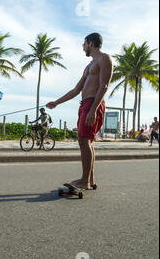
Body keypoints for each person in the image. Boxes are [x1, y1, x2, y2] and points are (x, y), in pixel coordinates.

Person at [47, 33, 113, 190]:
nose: (82, 47)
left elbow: (104, 86)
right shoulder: (89, 66)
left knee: (84, 140)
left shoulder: (105, 59)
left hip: (93, 104)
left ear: (91, 43)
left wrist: (93, 110)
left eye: (83, 44)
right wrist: (57, 102)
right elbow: (76, 89)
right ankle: (90, 179)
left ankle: (84, 181)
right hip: (84, 104)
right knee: (86, 141)